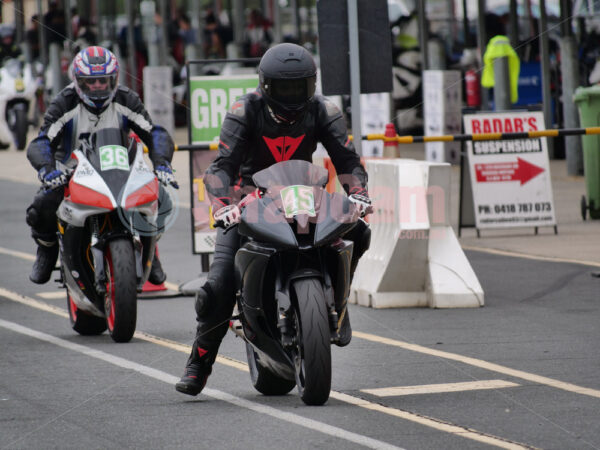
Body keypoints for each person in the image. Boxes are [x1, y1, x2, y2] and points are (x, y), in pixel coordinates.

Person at [175, 43, 373, 396]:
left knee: (359, 230)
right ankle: (199, 362)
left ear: (311, 85)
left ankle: (339, 305)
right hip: (251, 202)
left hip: (305, 197)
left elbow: (348, 161)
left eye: (299, 87)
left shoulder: (324, 110)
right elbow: (221, 167)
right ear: (266, 86)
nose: (292, 96)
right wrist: (224, 205)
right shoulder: (243, 111)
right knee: (217, 287)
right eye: (284, 88)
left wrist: (357, 192)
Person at [26, 46, 176, 285]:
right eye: (91, 81)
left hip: (121, 171)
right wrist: (47, 169)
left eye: (103, 80)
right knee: (42, 206)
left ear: (114, 79)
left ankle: (150, 251)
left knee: (160, 198)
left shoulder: (127, 99)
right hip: (72, 174)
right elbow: (41, 142)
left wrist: (162, 163)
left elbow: (154, 133)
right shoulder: (64, 103)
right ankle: (47, 249)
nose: (97, 86)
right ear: (77, 81)